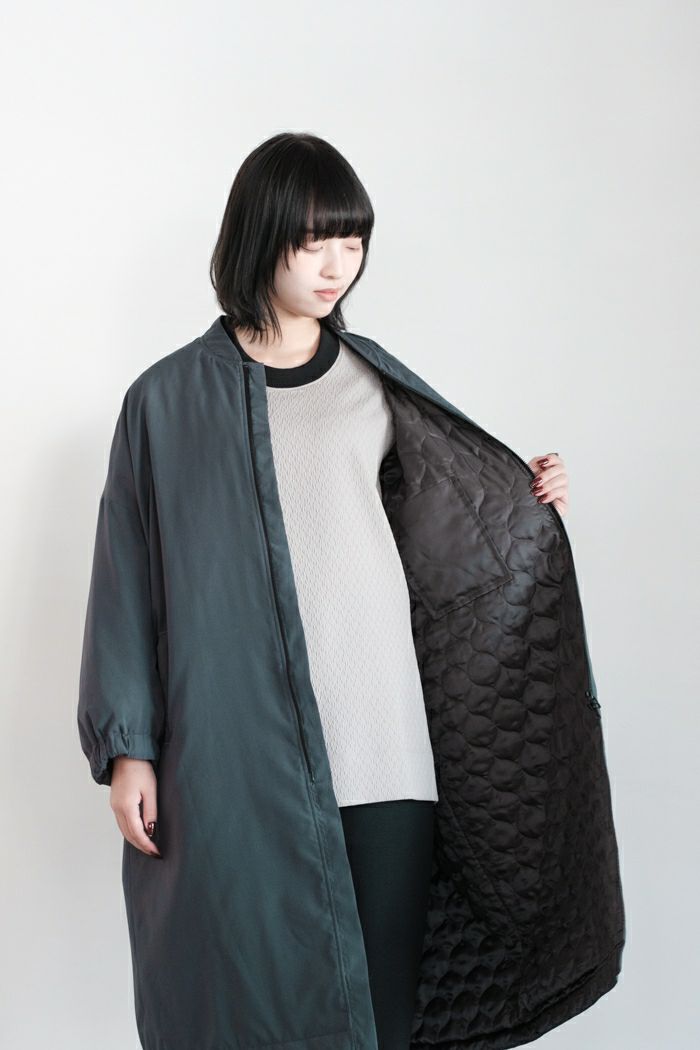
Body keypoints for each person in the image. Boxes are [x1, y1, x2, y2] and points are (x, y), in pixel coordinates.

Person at [78, 132, 623, 1050]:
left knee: (384, 1014)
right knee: (245, 999)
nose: (339, 266)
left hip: (384, 741)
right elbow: (126, 575)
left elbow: (452, 525)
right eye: (314, 242)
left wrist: (528, 502)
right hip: (235, 758)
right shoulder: (165, 402)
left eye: (353, 241)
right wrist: (127, 746)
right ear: (260, 237)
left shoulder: (374, 382)